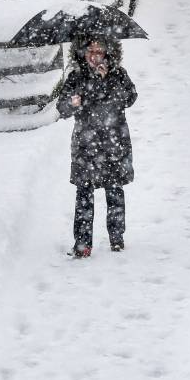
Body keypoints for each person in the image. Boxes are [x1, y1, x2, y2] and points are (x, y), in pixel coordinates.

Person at [56, 37, 137, 258]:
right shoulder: (76, 77)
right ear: (81, 53)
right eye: (90, 50)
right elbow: (61, 108)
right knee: (84, 193)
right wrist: (74, 102)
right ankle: (82, 244)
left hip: (113, 141)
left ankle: (117, 238)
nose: (94, 55)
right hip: (86, 144)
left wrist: (107, 80)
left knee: (114, 190)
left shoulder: (118, 74)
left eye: (99, 50)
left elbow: (130, 97)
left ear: (108, 53)